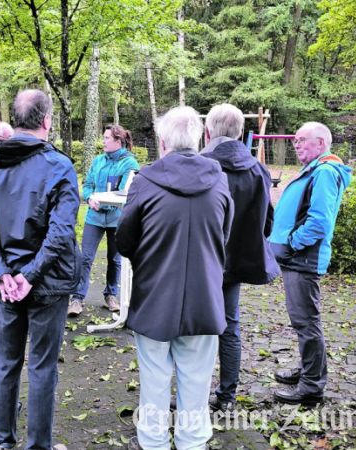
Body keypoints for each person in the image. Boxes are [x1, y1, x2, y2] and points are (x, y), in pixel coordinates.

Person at [0, 89, 78, 450]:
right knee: (41, 365)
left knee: (7, 361)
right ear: (46, 121)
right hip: (38, 283)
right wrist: (14, 274)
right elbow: (61, 232)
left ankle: (1, 442)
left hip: (12, 283)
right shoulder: (56, 165)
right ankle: (32, 444)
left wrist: (5, 274)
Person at [116, 106, 233, 450]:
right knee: (196, 377)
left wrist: (148, 259)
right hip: (205, 296)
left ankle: (152, 442)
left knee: (153, 376)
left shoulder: (145, 180)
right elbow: (223, 233)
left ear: (163, 141)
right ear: (200, 138)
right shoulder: (218, 179)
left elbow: (124, 239)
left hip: (154, 294)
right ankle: (191, 441)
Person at [201, 103, 280, 412]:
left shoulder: (201, 165)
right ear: (240, 132)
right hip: (235, 263)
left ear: (208, 131)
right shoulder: (258, 170)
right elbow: (267, 222)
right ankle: (227, 396)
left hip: (203, 260)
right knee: (229, 325)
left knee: (197, 325)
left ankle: (194, 391)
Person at [268, 122, 351, 406]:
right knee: (303, 321)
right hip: (297, 259)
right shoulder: (317, 169)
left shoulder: (325, 172)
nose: (297, 144)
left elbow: (319, 222)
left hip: (303, 259)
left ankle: (312, 386)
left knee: (307, 323)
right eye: (295, 140)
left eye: (302, 140)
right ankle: (308, 370)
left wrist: (291, 243)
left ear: (320, 143)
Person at [68, 124, 140, 317]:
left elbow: (126, 192)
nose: (104, 141)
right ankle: (76, 299)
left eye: (107, 138)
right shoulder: (98, 161)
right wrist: (90, 197)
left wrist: (106, 199)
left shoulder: (130, 164)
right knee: (85, 258)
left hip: (117, 219)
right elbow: (88, 185)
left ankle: (111, 295)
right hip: (94, 217)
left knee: (115, 260)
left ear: (118, 141)